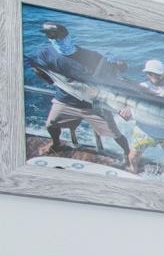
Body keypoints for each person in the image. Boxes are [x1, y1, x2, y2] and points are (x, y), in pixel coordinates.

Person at [25, 20, 123, 158]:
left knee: (115, 134)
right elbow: (49, 80)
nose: (54, 39)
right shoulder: (44, 53)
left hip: (93, 103)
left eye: (57, 35)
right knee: (50, 125)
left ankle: (128, 154)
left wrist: (119, 66)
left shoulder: (90, 55)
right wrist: (38, 71)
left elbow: (113, 73)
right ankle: (56, 144)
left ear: (66, 35)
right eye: (50, 36)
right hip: (65, 100)